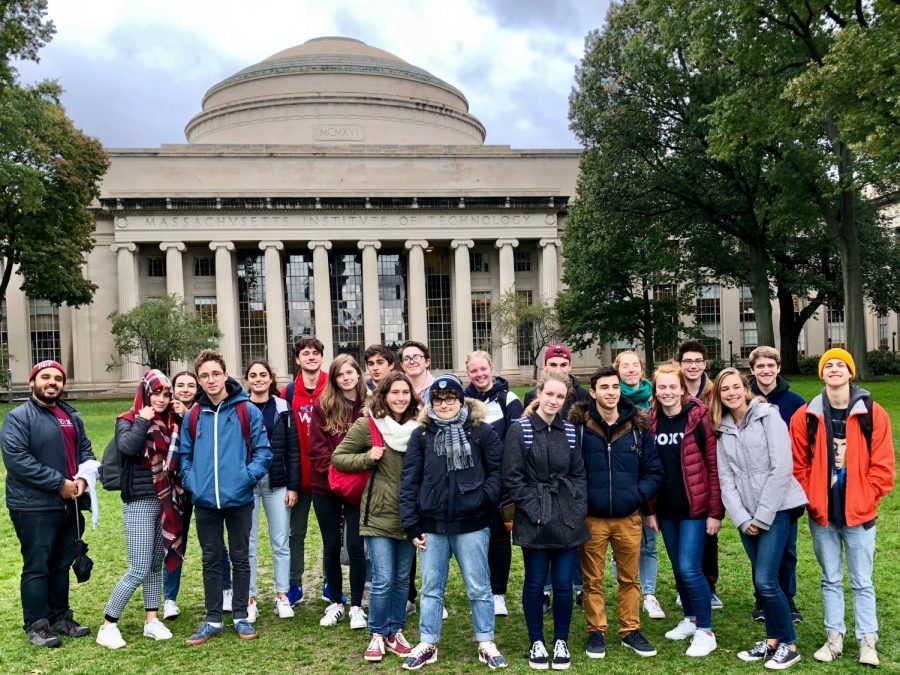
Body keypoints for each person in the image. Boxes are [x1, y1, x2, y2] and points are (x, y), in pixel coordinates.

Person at [790, 349, 895, 668]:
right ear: (822, 374)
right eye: (828, 365)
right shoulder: (805, 416)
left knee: (863, 580)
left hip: (860, 516)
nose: (834, 369)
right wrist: (814, 500)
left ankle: (868, 641)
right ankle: (834, 638)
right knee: (830, 578)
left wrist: (867, 498)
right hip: (823, 515)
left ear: (851, 373)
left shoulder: (873, 413)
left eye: (841, 365)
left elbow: (884, 466)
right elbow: (798, 466)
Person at [400, 374, 507, 670]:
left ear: (461, 400)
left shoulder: (481, 432)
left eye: (450, 399)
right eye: (438, 399)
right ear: (431, 402)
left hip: (472, 522)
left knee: (478, 585)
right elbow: (410, 480)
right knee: (432, 587)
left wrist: (483, 498)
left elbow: (498, 471)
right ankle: (428, 641)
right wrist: (411, 523)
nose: (444, 404)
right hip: (432, 523)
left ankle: (485, 640)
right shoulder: (421, 435)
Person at [711, 368, 807, 670]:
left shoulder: (768, 416)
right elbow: (726, 480)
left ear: (745, 388)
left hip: (775, 510)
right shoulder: (722, 427)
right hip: (746, 516)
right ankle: (773, 640)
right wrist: (741, 518)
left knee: (766, 580)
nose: (731, 393)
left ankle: (789, 645)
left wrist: (762, 517)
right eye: (724, 389)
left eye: (736, 387)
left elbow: (782, 468)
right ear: (719, 395)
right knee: (762, 578)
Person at [179, 350, 273, 645]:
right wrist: (192, 481)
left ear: (224, 375)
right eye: (204, 376)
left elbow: (263, 451)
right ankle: (213, 618)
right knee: (211, 559)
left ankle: (242, 616)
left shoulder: (246, 410)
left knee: (240, 557)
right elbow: (184, 455)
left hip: (240, 498)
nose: (210, 380)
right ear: (199, 379)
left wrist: (246, 477)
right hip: (205, 500)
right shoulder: (194, 414)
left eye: (215, 374)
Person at [572, 366, 663, 661]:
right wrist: (583, 500)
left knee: (630, 578)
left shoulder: (637, 426)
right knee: (592, 579)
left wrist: (635, 496)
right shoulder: (580, 426)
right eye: (605, 388)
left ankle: (630, 630)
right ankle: (596, 631)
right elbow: (570, 470)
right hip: (593, 517)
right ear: (593, 392)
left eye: (615, 387)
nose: (611, 393)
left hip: (628, 517)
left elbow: (654, 470)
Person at [2, 360, 95, 648]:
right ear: (33, 382)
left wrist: (81, 480)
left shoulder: (71, 416)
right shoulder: (18, 417)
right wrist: (59, 484)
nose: (52, 382)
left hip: (69, 504)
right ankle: (36, 623)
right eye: (45, 377)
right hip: (33, 506)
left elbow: (86, 450)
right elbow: (18, 460)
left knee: (61, 564)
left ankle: (60, 617)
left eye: (57, 378)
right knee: (38, 565)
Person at [331, 371, 420, 663]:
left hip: (409, 515)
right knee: (382, 579)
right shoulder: (368, 424)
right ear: (384, 395)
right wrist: (368, 457)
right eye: (394, 392)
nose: (400, 398)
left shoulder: (420, 427)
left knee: (401, 578)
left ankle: (395, 632)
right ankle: (377, 634)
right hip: (378, 514)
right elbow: (339, 457)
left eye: (405, 393)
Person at [504, 372, 589, 670]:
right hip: (535, 517)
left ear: (567, 399)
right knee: (536, 581)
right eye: (549, 394)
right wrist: (535, 508)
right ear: (540, 393)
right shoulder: (521, 430)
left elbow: (578, 473)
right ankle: (536, 640)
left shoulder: (568, 430)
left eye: (560, 396)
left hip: (566, 516)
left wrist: (575, 506)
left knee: (564, 584)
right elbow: (512, 478)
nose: (554, 401)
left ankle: (561, 639)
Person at [97, 370, 182, 649]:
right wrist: (144, 420)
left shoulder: (172, 421)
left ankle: (152, 620)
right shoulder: (129, 419)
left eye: (166, 393)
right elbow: (128, 448)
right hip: (140, 500)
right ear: (145, 393)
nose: (161, 398)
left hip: (165, 501)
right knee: (139, 566)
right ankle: (108, 624)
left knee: (155, 565)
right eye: (156, 392)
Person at [645, 361, 723, 658]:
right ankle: (690, 619)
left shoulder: (698, 418)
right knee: (678, 567)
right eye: (661, 387)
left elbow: (714, 467)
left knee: (691, 567)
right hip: (667, 509)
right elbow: (649, 469)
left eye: (672, 387)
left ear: (682, 389)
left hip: (696, 508)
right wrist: (650, 510)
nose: (667, 392)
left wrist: (715, 512)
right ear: (656, 390)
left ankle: (706, 630)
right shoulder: (651, 422)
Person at [522, 344, 590, 611]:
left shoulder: (582, 397)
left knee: (570, 538)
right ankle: (546, 590)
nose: (559, 369)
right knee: (544, 536)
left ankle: (577, 586)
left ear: (570, 367)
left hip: (570, 476)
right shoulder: (531, 396)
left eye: (563, 365)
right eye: (553, 365)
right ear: (545, 368)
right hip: (540, 479)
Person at [163, 371, 233, 619]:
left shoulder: (204, 411)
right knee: (175, 542)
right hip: (176, 489)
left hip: (204, 486)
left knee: (215, 543)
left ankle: (226, 589)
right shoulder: (165, 413)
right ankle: (169, 598)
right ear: (173, 388)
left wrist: (186, 417)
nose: (185, 389)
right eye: (180, 385)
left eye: (191, 385)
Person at [464, 350, 524, 618]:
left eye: (483, 369)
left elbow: (516, 440)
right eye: (474, 371)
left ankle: (498, 593)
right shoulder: (462, 401)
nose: (479, 375)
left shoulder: (508, 400)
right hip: (472, 480)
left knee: (500, 537)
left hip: (500, 479)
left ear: (491, 368)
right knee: (475, 539)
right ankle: (480, 591)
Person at [309, 355, 368, 629]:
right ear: (333, 379)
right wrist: (335, 474)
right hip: (326, 486)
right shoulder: (323, 406)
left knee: (356, 545)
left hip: (358, 486)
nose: (346, 377)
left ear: (358, 374)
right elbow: (317, 448)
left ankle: (357, 605)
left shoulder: (369, 406)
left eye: (350, 372)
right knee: (331, 545)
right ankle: (336, 602)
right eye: (340, 374)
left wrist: (354, 472)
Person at [748, 346, 806, 624]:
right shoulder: (743, 400)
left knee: (787, 549)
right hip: (754, 488)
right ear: (752, 370)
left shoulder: (794, 403)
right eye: (760, 367)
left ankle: (787, 597)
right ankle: (762, 599)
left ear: (778, 368)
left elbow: (804, 446)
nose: (766, 371)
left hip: (785, 488)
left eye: (770, 366)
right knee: (758, 548)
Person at [244, 360, 300, 622]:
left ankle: (282, 595)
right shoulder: (240, 408)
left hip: (278, 483)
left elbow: (293, 449)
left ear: (270, 379)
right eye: (253, 375)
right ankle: (250, 598)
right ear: (247, 380)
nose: (258, 379)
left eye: (263, 375)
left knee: (281, 542)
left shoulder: (283, 408)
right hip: (248, 484)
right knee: (248, 544)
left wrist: (293, 486)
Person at [613, 350, 664, 620]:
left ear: (642, 369)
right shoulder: (610, 397)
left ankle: (650, 593)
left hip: (648, 478)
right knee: (620, 542)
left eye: (635, 365)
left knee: (648, 540)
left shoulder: (654, 399)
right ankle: (626, 587)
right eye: (625, 366)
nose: (630, 370)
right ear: (617, 370)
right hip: (620, 481)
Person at [281, 336, 328, 606]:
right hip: (298, 475)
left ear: (322, 357)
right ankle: (294, 584)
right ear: (297, 359)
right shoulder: (288, 392)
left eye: (315, 353)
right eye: (305, 353)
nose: (311, 357)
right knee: (295, 533)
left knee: (329, 533)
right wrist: (291, 480)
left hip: (325, 474)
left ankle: (329, 584)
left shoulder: (331, 387)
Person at [675, 340, 721, 610]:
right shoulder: (672, 390)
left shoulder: (715, 392)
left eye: (697, 362)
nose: (693, 366)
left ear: (704, 364)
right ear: (681, 364)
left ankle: (709, 586)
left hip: (709, 464)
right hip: (681, 470)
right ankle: (685, 588)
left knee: (708, 533)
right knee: (680, 537)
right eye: (687, 361)